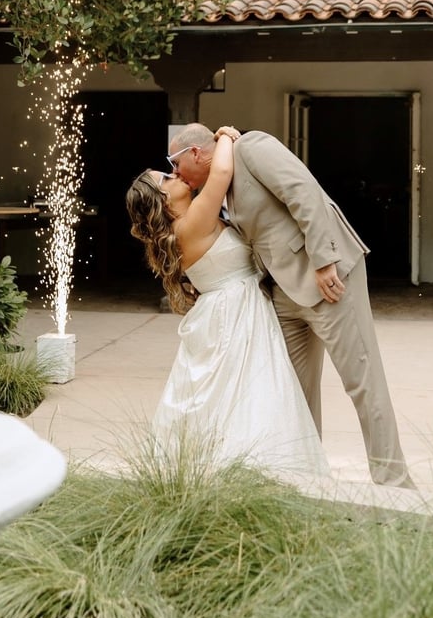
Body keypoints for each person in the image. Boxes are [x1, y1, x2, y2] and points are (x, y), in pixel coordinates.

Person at [167, 123, 412, 488]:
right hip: (283, 295)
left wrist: (324, 261)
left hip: (328, 280)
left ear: (195, 153)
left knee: (362, 381)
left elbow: (304, 193)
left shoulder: (252, 148)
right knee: (291, 391)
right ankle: (306, 479)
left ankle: (394, 482)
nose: (176, 175)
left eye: (175, 165)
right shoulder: (221, 184)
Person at [126, 127, 331, 486]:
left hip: (221, 310)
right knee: (252, 391)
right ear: (161, 199)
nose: (175, 174)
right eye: (167, 177)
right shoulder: (192, 222)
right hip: (235, 312)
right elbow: (221, 172)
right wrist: (224, 135)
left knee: (229, 396)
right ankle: (259, 471)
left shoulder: (185, 226)